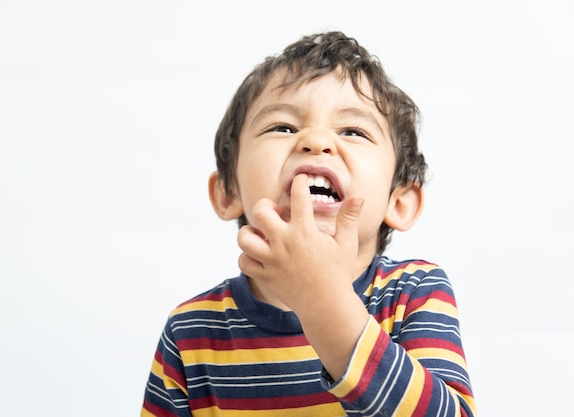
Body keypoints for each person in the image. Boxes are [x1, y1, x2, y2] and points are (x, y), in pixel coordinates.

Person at [141, 31, 476, 417]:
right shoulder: (191, 332)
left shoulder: (413, 294)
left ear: (398, 201)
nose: (316, 141)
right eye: (283, 127)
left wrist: (324, 302)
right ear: (229, 190)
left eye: (353, 131)